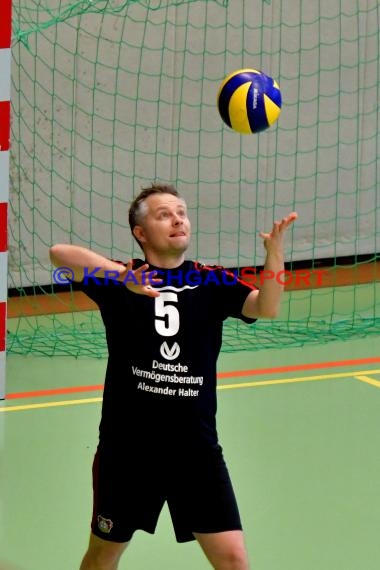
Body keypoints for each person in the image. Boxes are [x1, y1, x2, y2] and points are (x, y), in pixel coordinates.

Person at [49, 183, 297, 570]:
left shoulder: (210, 281)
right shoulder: (120, 281)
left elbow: (265, 307)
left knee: (234, 558)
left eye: (181, 212)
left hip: (196, 450)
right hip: (128, 451)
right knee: (103, 555)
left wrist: (275, 256)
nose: (178, 218)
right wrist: (121, 278)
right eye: (164, 213)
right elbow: (59, 255)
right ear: (140, 232)